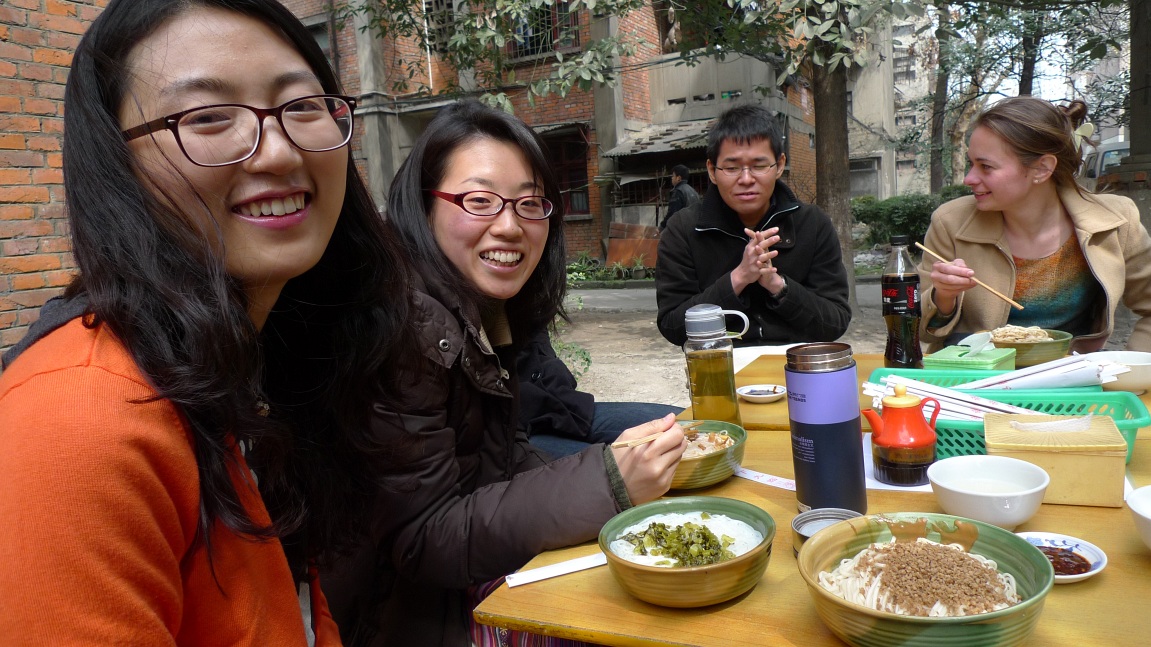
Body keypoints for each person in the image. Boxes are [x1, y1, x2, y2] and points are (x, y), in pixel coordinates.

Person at [0, 0, 416, 643]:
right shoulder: (78, 422)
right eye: (208, 117)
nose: (278, 152)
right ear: (115, 163)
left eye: (304, 106)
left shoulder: (254, 370)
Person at [322, 99, 687, 646]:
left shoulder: (484, 307)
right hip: (403, 615)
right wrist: (607, 481)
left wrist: (608, 474)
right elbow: (422, 538)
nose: (511, 226)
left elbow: (502, 455)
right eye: (479, 201)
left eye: (530, 203)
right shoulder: (404, 325)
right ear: (422, 206)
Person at [919, 96, 1151, 353]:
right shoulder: (950, 223)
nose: (969, 178)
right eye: (971, 164)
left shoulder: (1115, 220)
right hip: (976, 374)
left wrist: (1133, 368)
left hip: (1074, 374)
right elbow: (920, 331)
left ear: (1042, 169)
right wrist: (944, 297)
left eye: (986, 166)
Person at [655, 104, 851, 347]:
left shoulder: (813, 224)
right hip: (721, 364)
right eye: (731, 168)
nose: (746, 179)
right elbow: (672, 326)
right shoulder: (683, 229)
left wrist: (777, 285)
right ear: (712, 171)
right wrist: (738, 278)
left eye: (759, 166)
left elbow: (835, 322)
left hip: (797, 365)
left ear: (779, 165)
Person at [518, 324, 683, 457]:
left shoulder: (526, 298)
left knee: (686, 427)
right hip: (515, 435)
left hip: (556, 404)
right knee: (622, 468)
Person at [660, 163, 701, 229]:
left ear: (678, 178)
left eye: (673, 176)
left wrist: (662, 226)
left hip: (683, 229)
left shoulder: (678, 191)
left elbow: (672, 213)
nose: (671, 178)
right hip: (695, 227)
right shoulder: (693, 191)